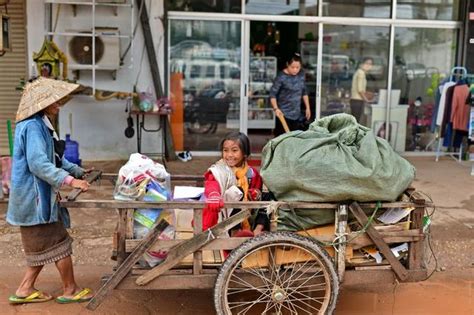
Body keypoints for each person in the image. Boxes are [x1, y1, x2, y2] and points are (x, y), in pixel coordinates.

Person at [7, 77, 94, 305]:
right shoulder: (33, 127)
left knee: (43, 247)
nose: (59, 105)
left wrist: (76, 171)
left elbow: (55, 158)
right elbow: (38, 164)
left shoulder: (42, 123)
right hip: (33, 200)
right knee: (58, 244)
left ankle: (25, 289)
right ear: (41, 104)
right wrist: (69, 181)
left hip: (37, 199)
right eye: (55, 102)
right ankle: (71, 289)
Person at [202, 131, 269, 236]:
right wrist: (214, 194)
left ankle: (257, 230)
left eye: (234, 150)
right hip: (222, 217)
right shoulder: (219, 170)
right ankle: (235, 233)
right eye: (225, 150)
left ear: (244, 153)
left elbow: (258, 195)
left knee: (267, 197)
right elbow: (211, 184)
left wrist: (254, 194)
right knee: (236, 192)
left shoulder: (252, 174)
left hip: (248, 217)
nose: (229, 155)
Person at [270, 53, 311, 137]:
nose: (295, 70)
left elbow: (304, 92)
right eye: (292, 67)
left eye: (298, 67)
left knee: (294, 139)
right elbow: (272, 95)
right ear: (287, 64)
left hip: (296, 114)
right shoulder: (281, 77)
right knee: (282, 139)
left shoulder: (301, 75)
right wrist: (276, 108)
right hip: (283, 115)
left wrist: (308, 108)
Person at [350, 57, 374, 123]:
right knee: (355, 121)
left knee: (355, 121)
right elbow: (360, 90)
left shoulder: (359, 72)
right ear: (362, 64)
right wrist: (366, 99)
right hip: (357, 101)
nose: (369, 65)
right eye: (367, 63)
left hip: (355, 100)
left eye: (370, 64)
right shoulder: (361, 73)